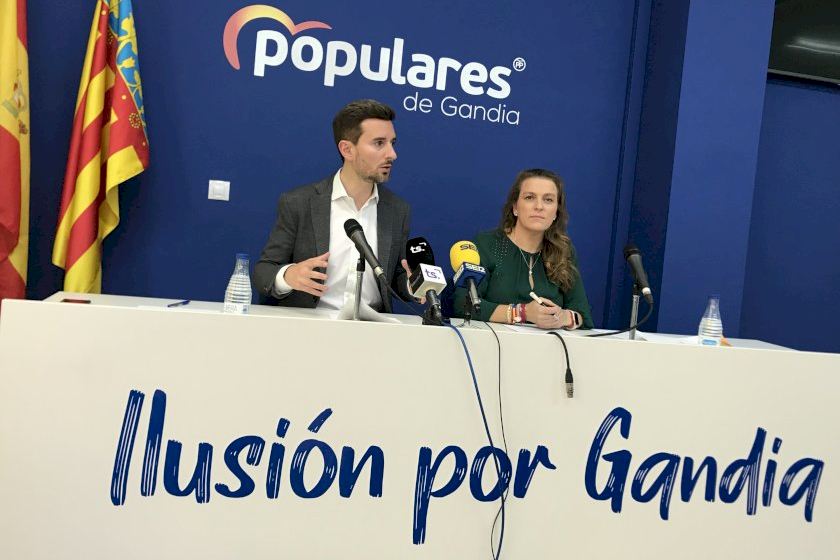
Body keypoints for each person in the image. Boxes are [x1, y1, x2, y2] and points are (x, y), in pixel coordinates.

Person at [254, 99, 412, 312]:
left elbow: (395, 277)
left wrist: (413, 285)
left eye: (393, 143)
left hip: (372, 326)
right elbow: (264, 271)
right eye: (379, 143)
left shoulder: (398, 210)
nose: (392, 154)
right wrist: (288, 275)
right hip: (310, 324)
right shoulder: (299, 203)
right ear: (347, 149)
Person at [453, 168, 593, 329]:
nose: (539, 206)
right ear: (515, 207)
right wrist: (521, 313)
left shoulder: (564, 251)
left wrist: (563, 317)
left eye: (548, 200)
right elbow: (463, 304)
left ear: (556, 212)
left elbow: (583, 315)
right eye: (529, 197)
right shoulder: (486, 244)